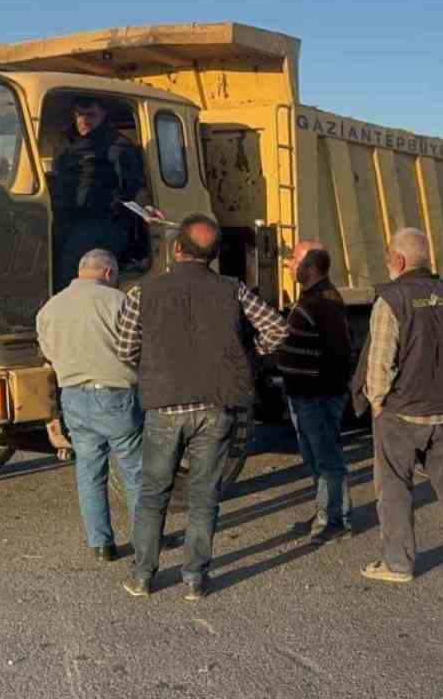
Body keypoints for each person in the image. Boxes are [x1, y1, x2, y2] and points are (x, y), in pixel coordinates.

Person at [116, 214, 288, 600]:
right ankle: (194, 578)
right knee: (204, 494)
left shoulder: (144, 292)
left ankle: (143, 576)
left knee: (152, 494)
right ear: (212, 255)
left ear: (177, 249)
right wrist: (249, 356)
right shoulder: (233, 289)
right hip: (217, 405)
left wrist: (155, 368)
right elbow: (277, 328)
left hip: (164, 406)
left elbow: (125, 349)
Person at [351, 228, 443, 583]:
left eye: (390, 256)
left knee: (394, 488)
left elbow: (379, 363)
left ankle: (399, 564)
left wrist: (377, 404)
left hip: (402, 413)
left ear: (400, 260)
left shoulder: (391, 299)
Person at [36, 249, 142, 561]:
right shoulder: (117, 302)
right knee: (135, 472)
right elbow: (138, 346)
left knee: (89, 471)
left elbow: (48, 353)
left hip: (73, 397)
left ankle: (101, 544)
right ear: (109, 273)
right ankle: (145, 539)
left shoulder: (50, 308)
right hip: (115, 396)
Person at [277, 240, 354, 543]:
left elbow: (340, 353)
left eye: (295, 261)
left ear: (311, 268)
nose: (289, 265)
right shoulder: (310, 298)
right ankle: (327, 511)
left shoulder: (326, 302)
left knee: (328, 460)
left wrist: (325, 394)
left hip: (317, 397)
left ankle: (336, 520)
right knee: (316, 459)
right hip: (304, 396)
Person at [52, 96, 149, 292]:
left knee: (70, 268)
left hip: (102, 221)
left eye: (91, 115)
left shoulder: (118, 146)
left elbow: (133, 186)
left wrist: (146, 209)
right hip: (64, 216)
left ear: (103, 115)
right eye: (79, 115)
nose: (84, 121)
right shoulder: (65, 141)